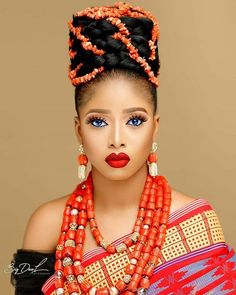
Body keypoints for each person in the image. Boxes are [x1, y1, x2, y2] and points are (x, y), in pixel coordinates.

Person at [10, 1, 236, 295]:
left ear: (155, 126)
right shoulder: (47, 225)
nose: (117, 138)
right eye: (98, 122)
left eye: (134, 120)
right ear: (79, 131)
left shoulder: (196, 223)